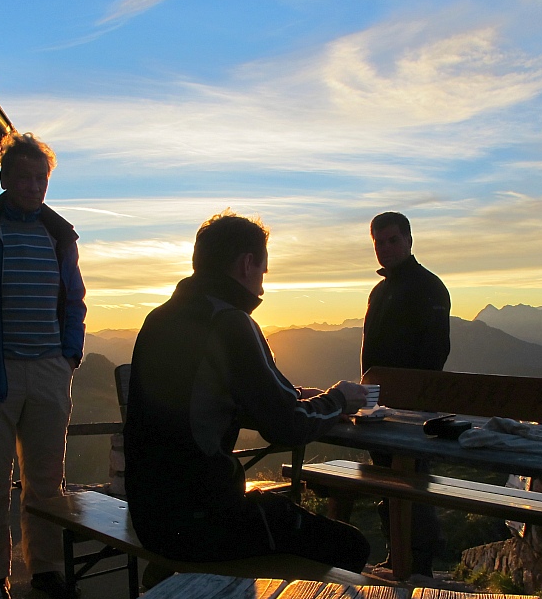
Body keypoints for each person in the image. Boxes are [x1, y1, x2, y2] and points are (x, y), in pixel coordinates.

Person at [123, 211, 371, 572]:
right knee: (351, 547)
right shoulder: (228, 322)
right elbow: (287, 425)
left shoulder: (160, 317)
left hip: (150, 516)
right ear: (246, 263)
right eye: (263, 272)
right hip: (203, 521)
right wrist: (339, 399)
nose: (262, 287)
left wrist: (298, 395)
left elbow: (210, 397)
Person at [0, 132, 86, 599]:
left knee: (47, 480)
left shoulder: (59, 234)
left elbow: (75, 299)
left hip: (50, 370)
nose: (33, 186)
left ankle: (45, 568)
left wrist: (69, 355)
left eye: (40, 178)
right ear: (4, 178)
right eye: (23, 177)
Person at [362, 211, 451, 577]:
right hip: (378, 404)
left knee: (412, 481)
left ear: (410, 240)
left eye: (392, 240)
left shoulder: (429, 287)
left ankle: (419, 563)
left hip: (412, 408)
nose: (384, 249)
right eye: (378, 242)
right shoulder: (381, 290)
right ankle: (397, 554)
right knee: (388, 479)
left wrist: (412, 400)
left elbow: (435, 352)